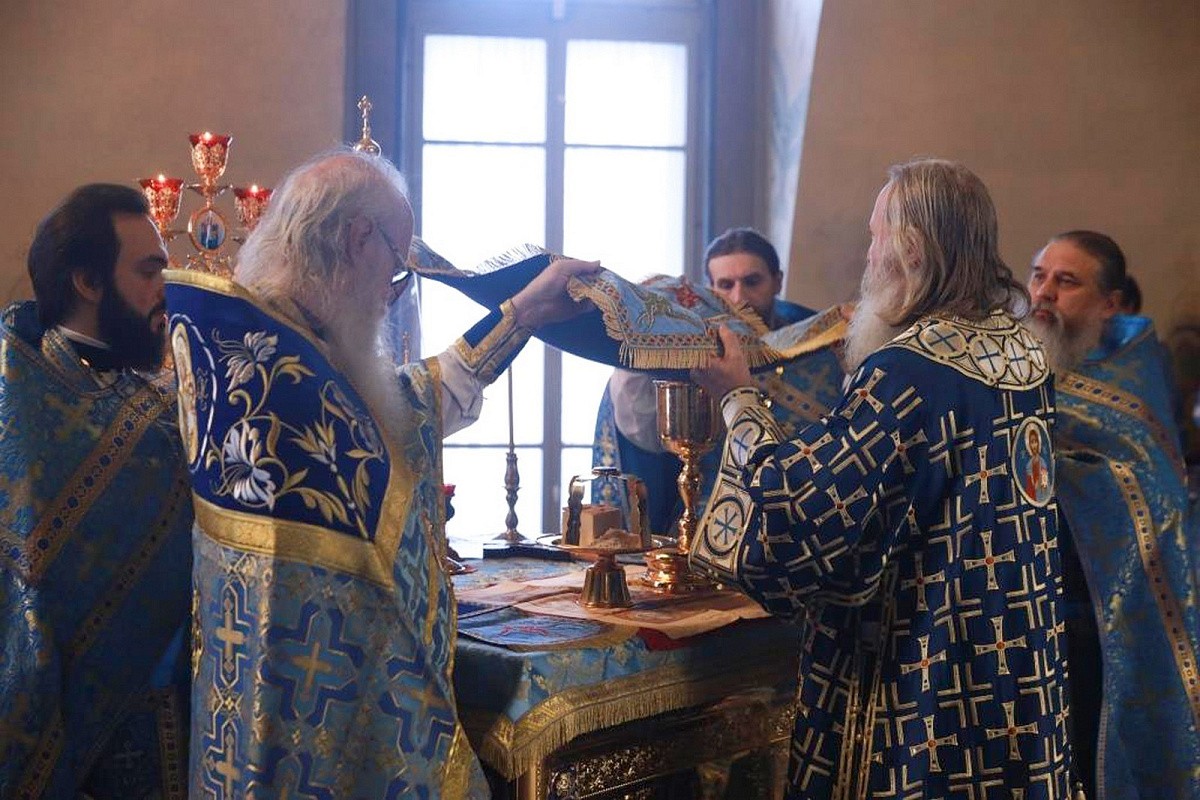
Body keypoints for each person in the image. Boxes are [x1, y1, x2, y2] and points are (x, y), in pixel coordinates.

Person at [165, 148, 599, 798]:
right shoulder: (281, 370)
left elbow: (398, 407)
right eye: (397, 268)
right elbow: (381, 428)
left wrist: (521, 315)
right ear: (358, 239)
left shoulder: (262, 348)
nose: (391, 295)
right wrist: (521, 315)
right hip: (310, 717)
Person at [690, 159, 1070, 797]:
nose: (868, 256)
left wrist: (739, 399)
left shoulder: (910, 370)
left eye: (875, 237)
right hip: (1012, 653)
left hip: (925, 665)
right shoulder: (1022, 351)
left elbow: (806, 507)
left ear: (911, 248)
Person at [0, 184, 193, 798]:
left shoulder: (155, 396)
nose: (165, 288)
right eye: (148, 271)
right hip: (73, 728)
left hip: (176, 714)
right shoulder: (22, 403)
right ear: (87, 281)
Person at [1026, 230, 1200, 799]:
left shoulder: (1131, 382)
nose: (1044, 292)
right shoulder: (1012, 370)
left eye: (1066, 281)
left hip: (1092, 627)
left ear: (1110, 303)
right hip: (1015, 620)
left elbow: (1150, 495)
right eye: (1038, 275)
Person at [593, 228, 833, 534]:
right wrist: (645, 333)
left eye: (752, 282)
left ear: (777, 281)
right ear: (710, 289)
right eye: (725, 285)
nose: (739, 297)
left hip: (805, 514)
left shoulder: (822, 342)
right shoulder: (692, 346)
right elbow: (643, 437)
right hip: (714, 516)